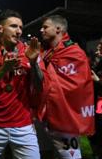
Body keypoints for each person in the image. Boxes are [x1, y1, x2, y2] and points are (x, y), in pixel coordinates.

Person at [0, 9, 43, 159]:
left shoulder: (29, 51)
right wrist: (4, 69)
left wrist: (33, 62)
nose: (18, 31)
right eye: (14, 26)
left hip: (23, 124)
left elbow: (39, 84)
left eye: (20, 27)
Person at [38, 15, 95, 159]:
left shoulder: (75, 52)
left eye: (45, 27)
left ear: (58, 29)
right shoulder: (48, 52)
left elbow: (77, 85)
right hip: (48, 114)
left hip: (65, 116)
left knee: (71, 157)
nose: (41, 30)